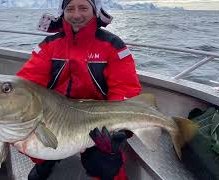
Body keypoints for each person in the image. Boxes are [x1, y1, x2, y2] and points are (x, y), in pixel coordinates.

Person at [15, 0, 142, 179]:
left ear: (94, 11)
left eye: (83, 8)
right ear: (63, 12)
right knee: (27, 135)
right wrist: (0, 107)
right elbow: (27, 83)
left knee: (105, 164)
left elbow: (125, 89)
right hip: (55, 116)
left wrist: (120, 130)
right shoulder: (49, 45)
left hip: (96, 119)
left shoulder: (112, 45)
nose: (76, 15)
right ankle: (45, 160)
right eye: (70, 9)